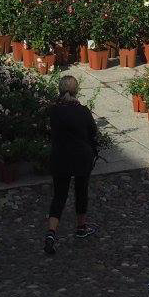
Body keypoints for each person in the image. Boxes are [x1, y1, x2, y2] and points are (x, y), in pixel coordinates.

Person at [44, 75, 98, 254]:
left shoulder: (54, 111)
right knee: (81, 192)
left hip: (60, 157)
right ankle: (81, 227)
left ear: (59, 91)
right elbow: (93, 131)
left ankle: (51, 233)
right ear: (77, 91)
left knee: (59, 196)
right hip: (81, 157)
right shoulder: (83, 111)